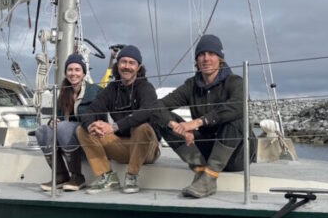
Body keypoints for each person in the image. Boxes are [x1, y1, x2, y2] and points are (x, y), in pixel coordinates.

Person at [156, 34, 250, 199]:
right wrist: (177, 128)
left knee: (236, 115)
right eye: (201, 54)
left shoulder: (234, 82)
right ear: (197, 60)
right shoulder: (191, 85)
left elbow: (239, 104)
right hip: (204, 153)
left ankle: (209, 179)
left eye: (211, 54)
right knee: (159, 117)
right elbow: (158, 106)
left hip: (235, 156)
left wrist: (199, 122)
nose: (206, 59)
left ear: (220, 59)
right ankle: (200, 170)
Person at [76, 45, 161, 194]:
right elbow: (90, 111)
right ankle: (108, 177)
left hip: (147, 149)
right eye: (123, 62)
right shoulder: (112, 89)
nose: (126, 66)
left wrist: (113, 127)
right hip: (122, 146)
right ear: (118, 65)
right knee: (82, 130)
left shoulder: (145, 87)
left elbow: (146, 112)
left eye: (131, 63)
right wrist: (91, 125)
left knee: (142, 128)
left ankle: (132, 177)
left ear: (138, 67)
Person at [35, 53, 99, 192]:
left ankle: (77, 176)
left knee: (63, 127)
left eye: (77, 70)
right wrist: (54, 121)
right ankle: (60, 175)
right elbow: (58, 116)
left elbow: (99, 119)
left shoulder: (95, 91)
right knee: (42, 131)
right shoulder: (64, 93)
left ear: (83, 73)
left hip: (86, 139)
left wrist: (64, 125)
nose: (73, 73)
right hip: (66, 142)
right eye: (70, 70)